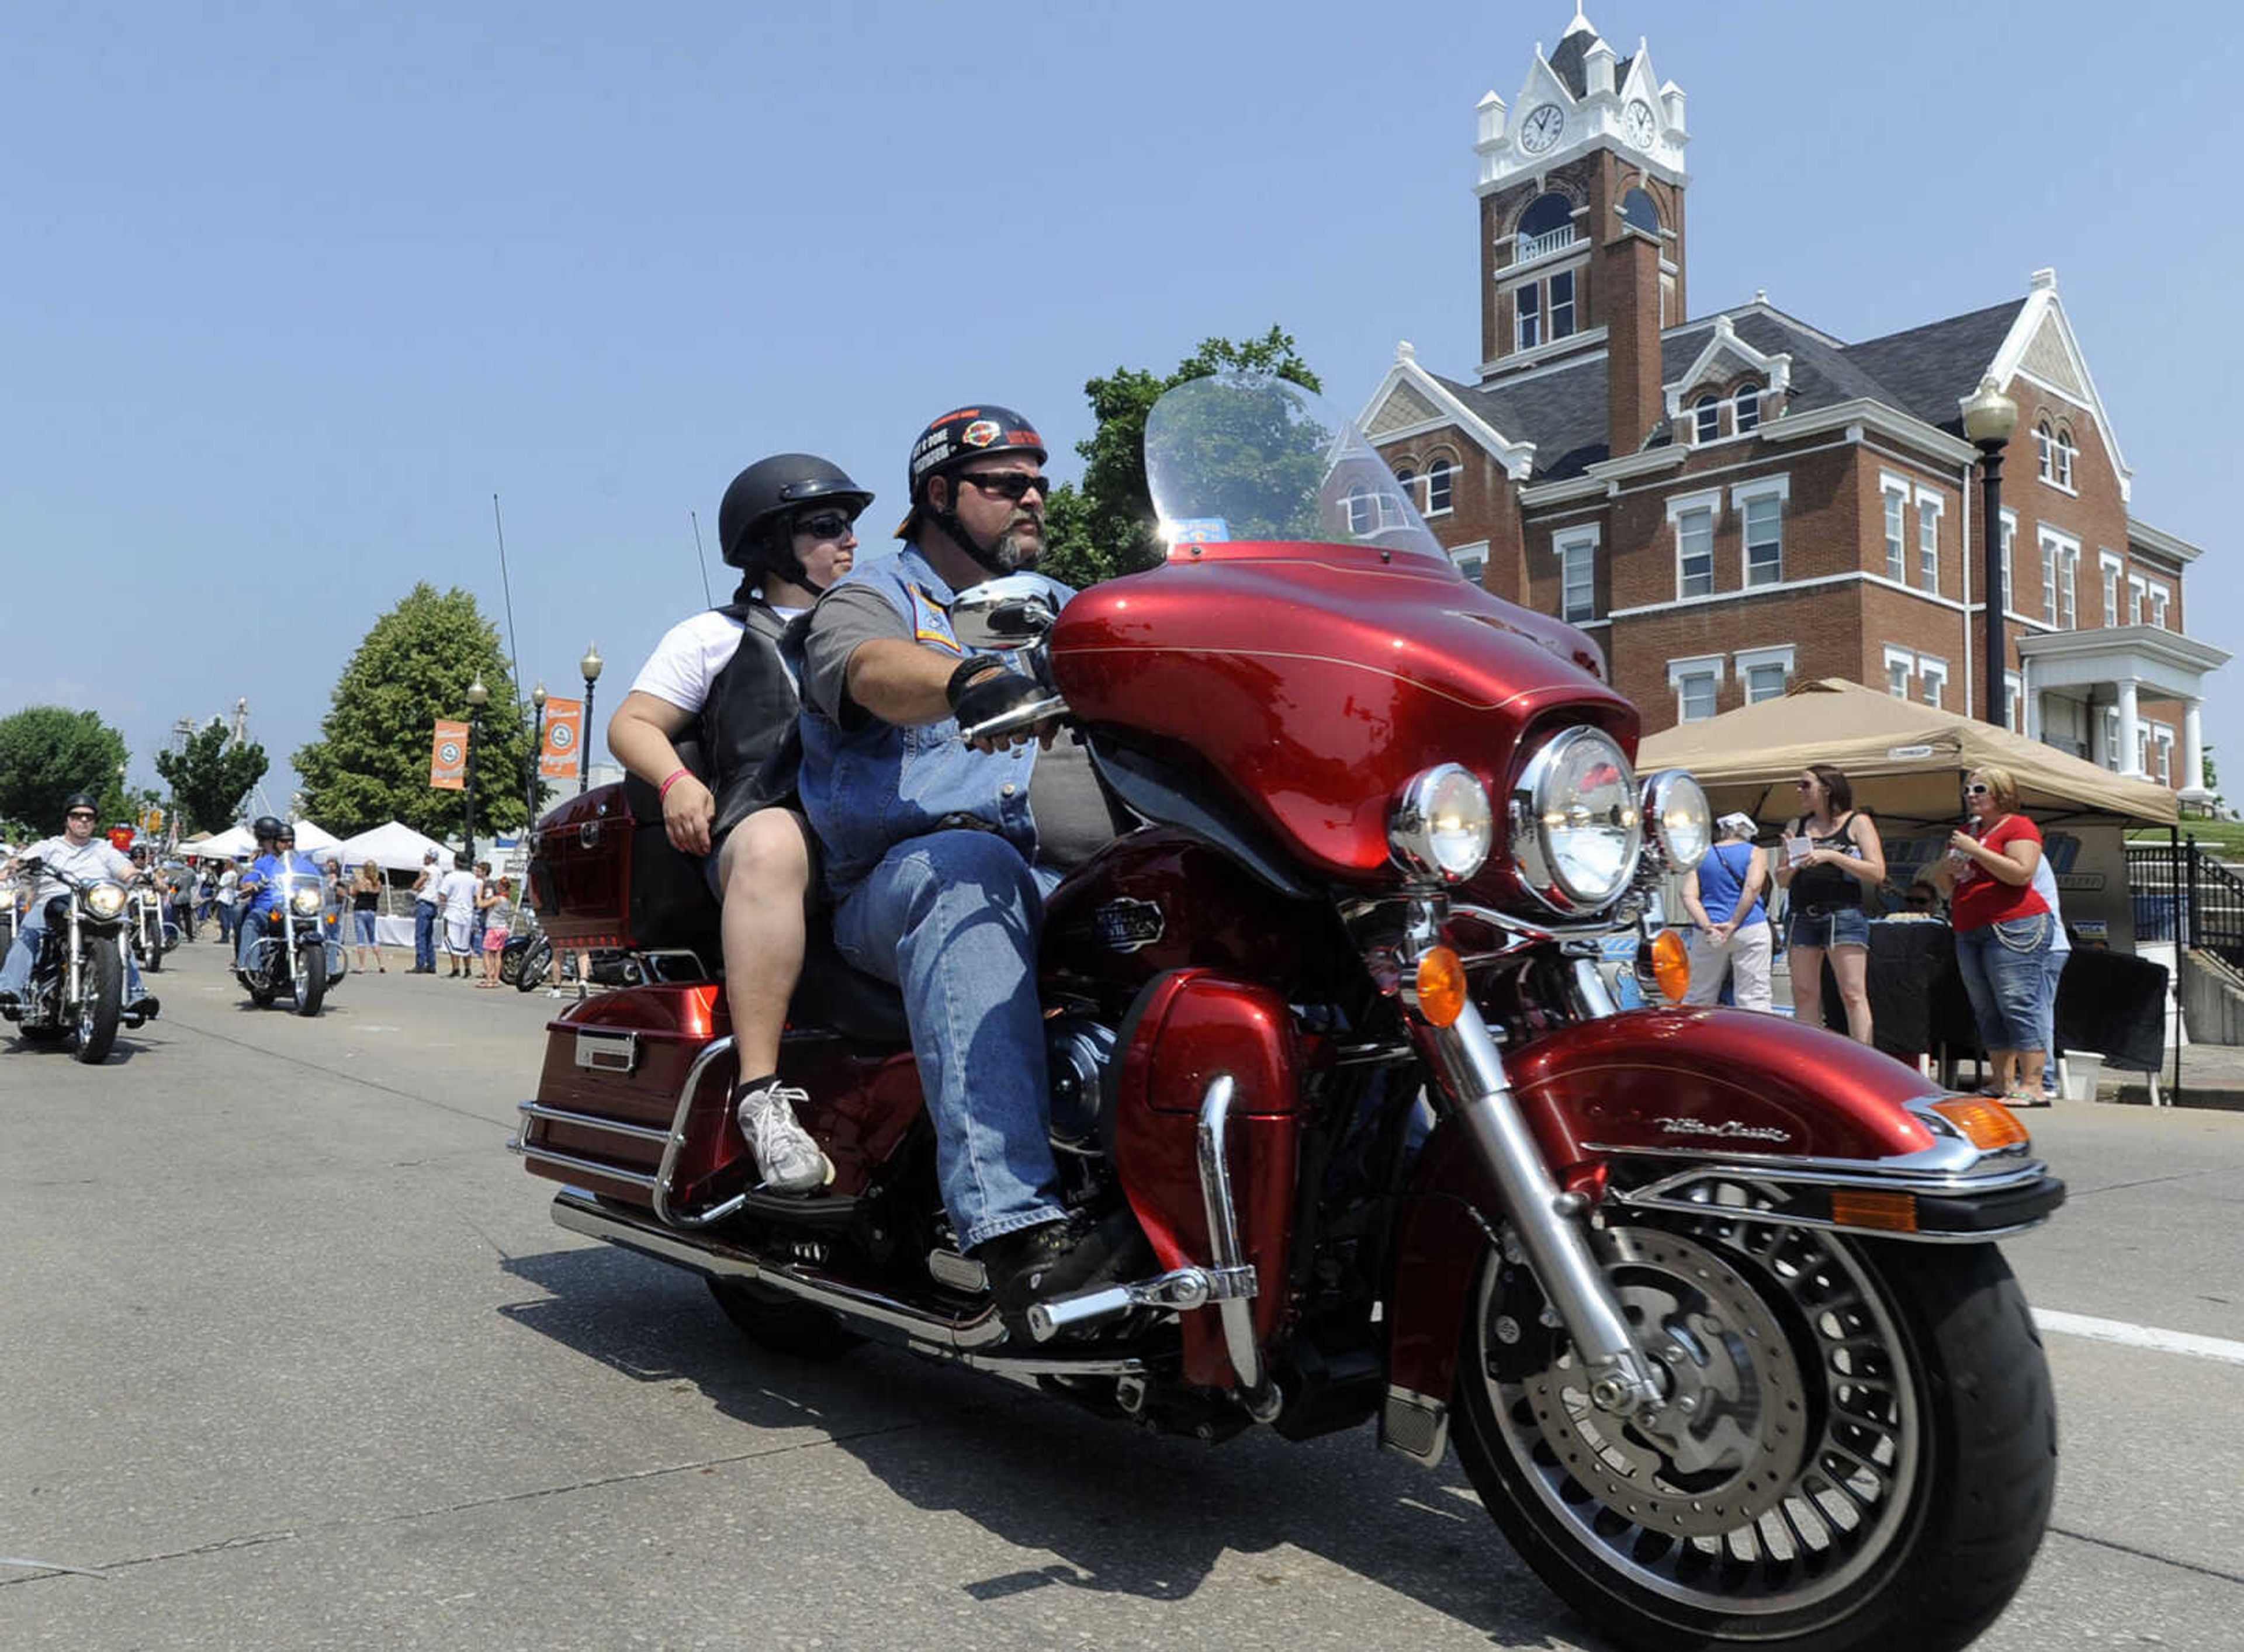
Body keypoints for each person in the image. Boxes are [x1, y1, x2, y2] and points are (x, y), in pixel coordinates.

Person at [794, 403, 1138, 1322]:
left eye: (1038, 481)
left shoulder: (1067, 606)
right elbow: (863, 667)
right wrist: (964, 678)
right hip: (904, 884)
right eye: (1005, 483)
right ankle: (1016, 1227)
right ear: (940, 494)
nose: (1032, 496)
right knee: (969, 864)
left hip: (1068, 883)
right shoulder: (874, 594)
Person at [607, 450, 875, 1191]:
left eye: (851, 525)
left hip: (872, 833)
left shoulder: (883, 629)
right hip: (768, 828)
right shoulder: (714, 635)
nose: (849, 541)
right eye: (826, 527)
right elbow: (631, 722)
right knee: (770, 842)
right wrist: (677, 781)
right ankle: (761, 1095)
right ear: (769, 544)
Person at [1935, 764, 2054, 1105]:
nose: (1971, 796)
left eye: (1980, 790)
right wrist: (1951, 870)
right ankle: (2002, 1081)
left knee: (2016, 1001)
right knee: (1985, 1006)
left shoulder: (2019, 826)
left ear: (2001, 793)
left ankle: (2033, 1084)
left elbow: (2021, 873)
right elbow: (1945, 887)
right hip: (1970, 924)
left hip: (2013, 924)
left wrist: (1976, 851)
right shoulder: (1966, 832)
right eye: (1968, 791)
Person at [0, 792, 161, 1023]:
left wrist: (145, 877)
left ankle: (135, 994)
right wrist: (12, 867)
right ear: (67, 819)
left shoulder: (104, 849)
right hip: (53, 901)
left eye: (89, 817)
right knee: (30, 931)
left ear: (95, 822)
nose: (83, 821)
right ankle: (10, 989)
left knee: (120, 935)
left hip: (95, 902)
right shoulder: (49, 846)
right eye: (77, 816)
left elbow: (126, 871)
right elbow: (22, 861)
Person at [1775, 763, 1886, 1044]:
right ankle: (1809, 1060)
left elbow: (1877, 872)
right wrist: (1793, 860)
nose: (1800, 790)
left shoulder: (1857, 822)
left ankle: (1866, 1062)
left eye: (1806, 785)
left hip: (1843, 914)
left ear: (1827, 789)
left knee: (1852, 993)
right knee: (1804, 993)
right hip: (1802, 914)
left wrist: (1832, 856)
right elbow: (1782, 880)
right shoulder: (1796, 825)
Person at [1681, 812, 1772, 1011]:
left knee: (1699, 995)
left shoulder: (1701, 854)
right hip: (1750, 926)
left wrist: (1708, 927)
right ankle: (1753, 1041)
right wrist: (1733, 923)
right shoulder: (1756, 852)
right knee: (1754, 996)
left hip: (1709, 930)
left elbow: (1688, 895)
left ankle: (1696, 1040)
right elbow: (1753, 888)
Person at [234, 819, 320, 975]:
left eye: (291, 841)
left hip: (298, 908)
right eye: (283, 841)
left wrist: (335, 885)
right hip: (269, 909)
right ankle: (248, 967)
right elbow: (248, 880)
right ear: (275, 842)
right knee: (252, 920)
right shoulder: (263, 863)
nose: (288, 845)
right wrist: (250, 886)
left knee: (327, 922)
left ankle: (329, 968)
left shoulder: (304, 864)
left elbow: (319, 881)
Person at [438, 853, 480, 977]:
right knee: (466, 943)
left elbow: (442, 895)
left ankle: (456, 969)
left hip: (453, 912)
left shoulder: (450, 877)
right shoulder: (472, 878)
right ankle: (468, 969)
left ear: (455, 862)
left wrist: (442, 905)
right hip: (467, 913)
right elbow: (475, 896)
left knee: (453, 941)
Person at [477, 875, 515, 987]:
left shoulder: (497, 899)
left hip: (493, 928)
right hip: (503, 928)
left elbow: (481, 905)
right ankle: (496, 979)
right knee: (498, 955)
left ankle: (489, 979)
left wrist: (479, 894)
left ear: (501, 887)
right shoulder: (508, 901)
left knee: (487, 954)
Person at [351, 858, 386, 972]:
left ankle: (362, 966)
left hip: (360, 911)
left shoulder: (361, 882)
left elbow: (353, 893)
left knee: (361, 940)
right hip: (372, 912)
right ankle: (381, 964)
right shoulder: (378, 883)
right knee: (373, 939)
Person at [410, 849, 441, 972]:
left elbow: (417, 885)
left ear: (429, 858)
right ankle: (431, 963)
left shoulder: (428, 870)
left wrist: (417, 886)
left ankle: (420, 964)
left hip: (425, 903)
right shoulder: (439, 871)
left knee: (420, 935)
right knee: (429, 936)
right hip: (434, 904)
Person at [214, 857, 242, 944]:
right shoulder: (235, 874)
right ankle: (226, 935)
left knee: (223, 919)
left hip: (223, 897)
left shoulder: (226, 875)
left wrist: (215, 891)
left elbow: (220, 885)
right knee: (229, 918)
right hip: (231, 897)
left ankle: (224, 937)